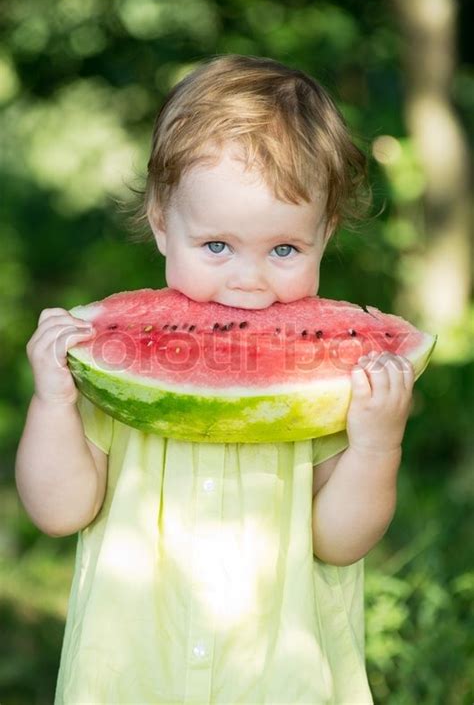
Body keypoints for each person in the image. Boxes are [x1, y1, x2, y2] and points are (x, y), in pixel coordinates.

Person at [15, 54, 415, 704]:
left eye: (284, 249)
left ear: (325, 233)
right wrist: (54, 403)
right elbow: (59, 512)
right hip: (133, 676)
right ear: (161, 224)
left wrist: (376, 445)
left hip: (278, 682)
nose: (248, 279)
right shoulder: (108, 372)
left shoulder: (331, 387)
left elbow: (337, 542)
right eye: (217, 246)